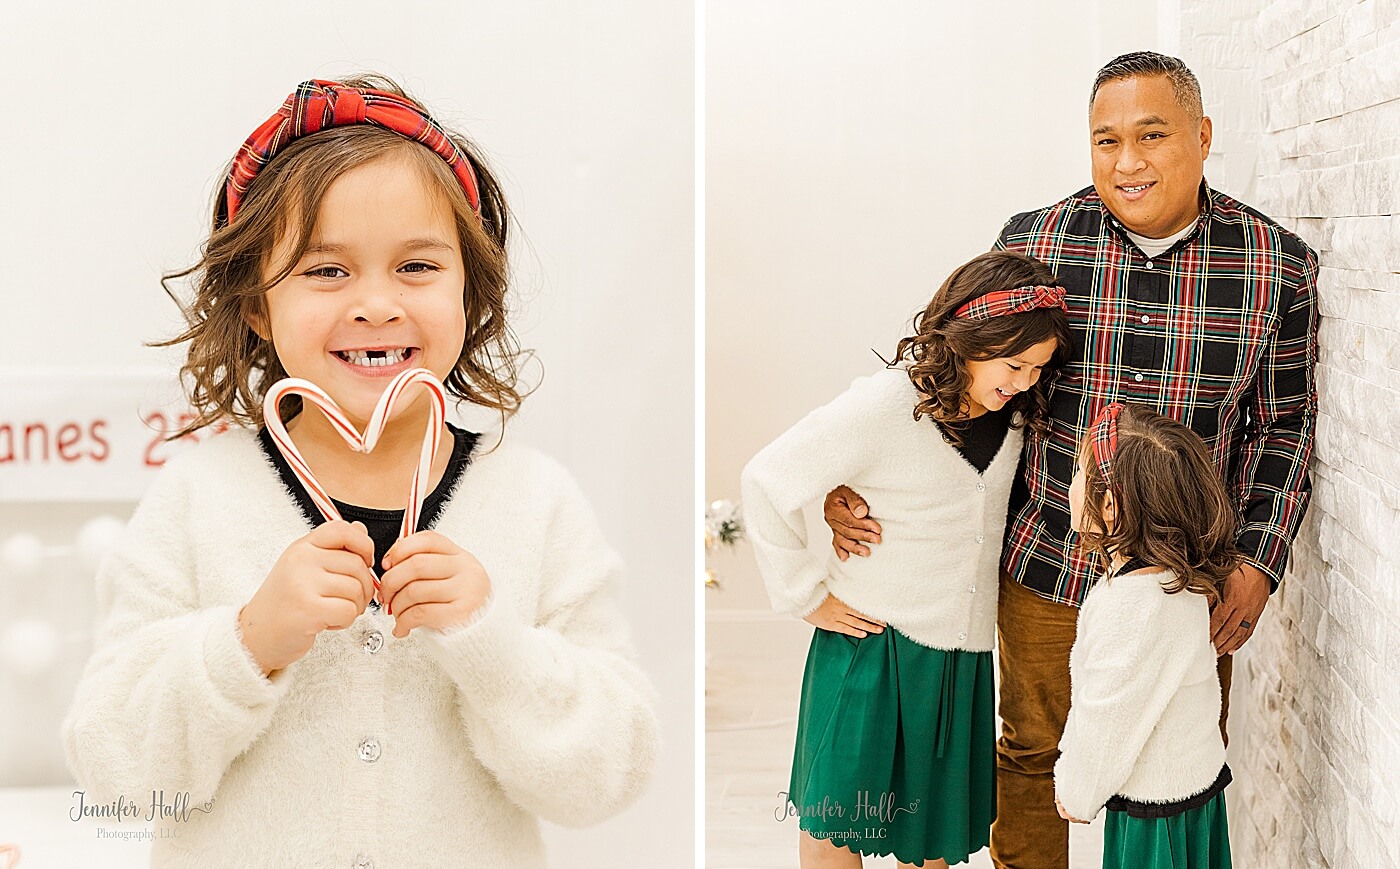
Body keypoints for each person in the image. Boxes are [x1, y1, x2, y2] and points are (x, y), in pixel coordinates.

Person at [60, 76, 659, 868]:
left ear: (471, 292)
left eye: (417, 266)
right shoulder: (199, 494)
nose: (376, 304)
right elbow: (116, 774)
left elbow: (607, 778)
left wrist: (494, 644)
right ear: (253, 306)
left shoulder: (535, 498)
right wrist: (247, 641)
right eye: (326, 271)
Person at [822, 51, 1318, 869]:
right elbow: (959, 381)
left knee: (1177, 767)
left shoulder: (1278, 266)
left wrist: (1258, 562)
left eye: (1151, 135)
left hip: (1185, 576)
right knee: (1028, 753)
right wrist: (856, 478)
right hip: (1048, 556)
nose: (1127, 162)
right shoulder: (1038, 240)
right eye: (1105, 140)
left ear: (1201, 135)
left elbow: (1283, 427)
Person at [742, 250, 1072, 869]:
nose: (1024, 380)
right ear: (970, 339)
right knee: (837, 826)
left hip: (959, 660)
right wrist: (806, 593)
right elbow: (766, 479)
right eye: (1013, 363)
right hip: (872, 649)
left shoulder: (1018, 417)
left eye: (1036, 368)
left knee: (929, 841)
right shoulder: (884, 407)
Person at [1055, 402, 1236, 868]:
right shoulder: (1177, 580)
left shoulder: (1133, 608)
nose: (1069, 486)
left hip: (1156, 818)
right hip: (1189, 796)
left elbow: (1109, 715)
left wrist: (1077, 791)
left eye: (1077, 474)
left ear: (1110, 507)